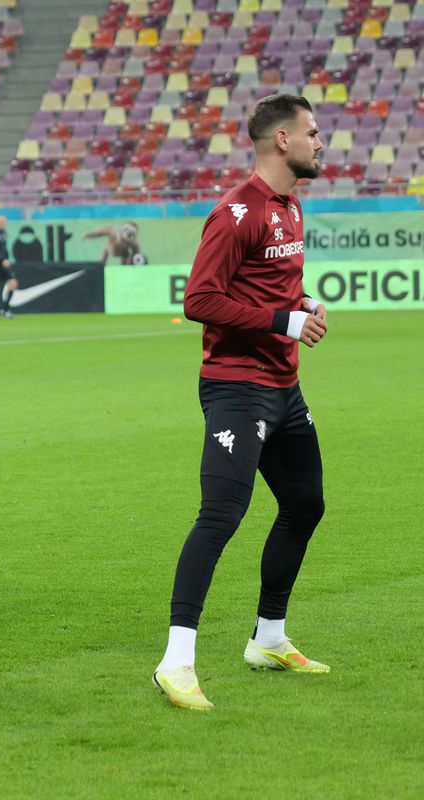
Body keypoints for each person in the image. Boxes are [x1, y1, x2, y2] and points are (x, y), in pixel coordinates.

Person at [153, 93, 329, 711]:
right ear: (282, 140)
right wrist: (284, 321)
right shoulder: (236, 212)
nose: (320, 141)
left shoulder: (291, 206)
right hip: (236, 386)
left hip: (284, 386)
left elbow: (271, 285)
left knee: (305, 503)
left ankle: (269, 638)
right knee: (221, 515)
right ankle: (175, 661)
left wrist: (302, 302)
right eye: (312, 132)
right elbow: (199, 300)